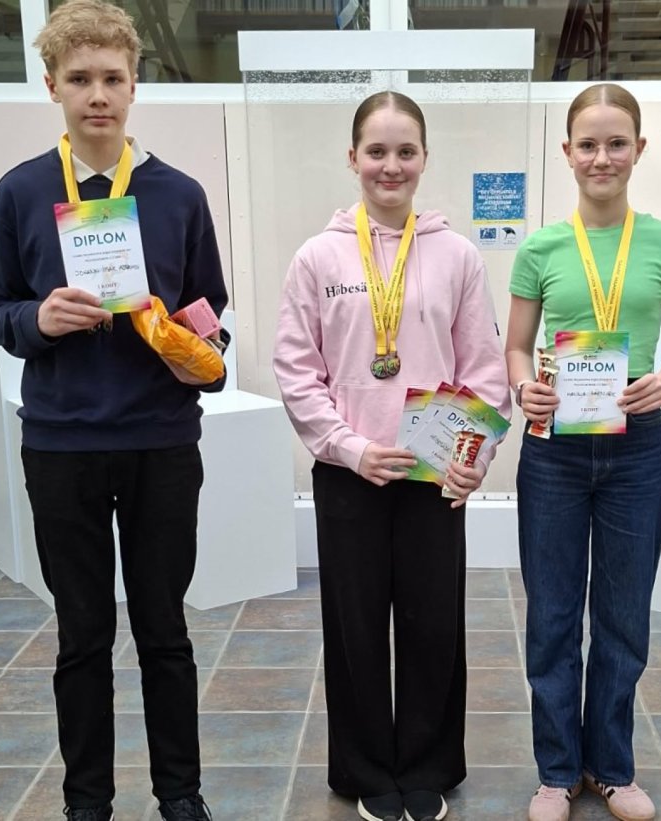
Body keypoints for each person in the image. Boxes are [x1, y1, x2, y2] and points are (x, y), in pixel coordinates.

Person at [0, 2, 227, 818]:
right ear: (51, 86)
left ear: (135, 84)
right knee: (81, 634)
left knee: (164, 630)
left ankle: (180, 794)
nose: (97, 95)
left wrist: (192, 345)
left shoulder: (178, 195)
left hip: (160, 441)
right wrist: (37, 320)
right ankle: (87, 802)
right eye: (79, 79)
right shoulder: (20, 192)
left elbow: (209, 308)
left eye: (112, 78)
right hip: (61, 446)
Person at [272, 91, 510, 821]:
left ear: (425, 159)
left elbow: (485, 370)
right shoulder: (317, 257)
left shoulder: (457, 255)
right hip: (351, 474)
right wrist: (349, 448)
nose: (391, 165)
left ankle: (429, 763)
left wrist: (471, 457)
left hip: (434, 474)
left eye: (406, 151)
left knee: (434, 624)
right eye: (376, 151)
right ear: (353, 158)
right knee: (356, 627)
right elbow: (296, 370)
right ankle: (367, 766)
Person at [505, 83, 661, 821]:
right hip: (554, 448)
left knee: (623, 615)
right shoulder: (541, 248)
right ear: (567, 152)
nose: (602, 157)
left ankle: (611, 766)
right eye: (588, 144)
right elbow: (516, 347)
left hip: (636, 447)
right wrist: (524, 388)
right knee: (553, 613)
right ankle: (557, 771)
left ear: (639, 150)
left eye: (617, 143)